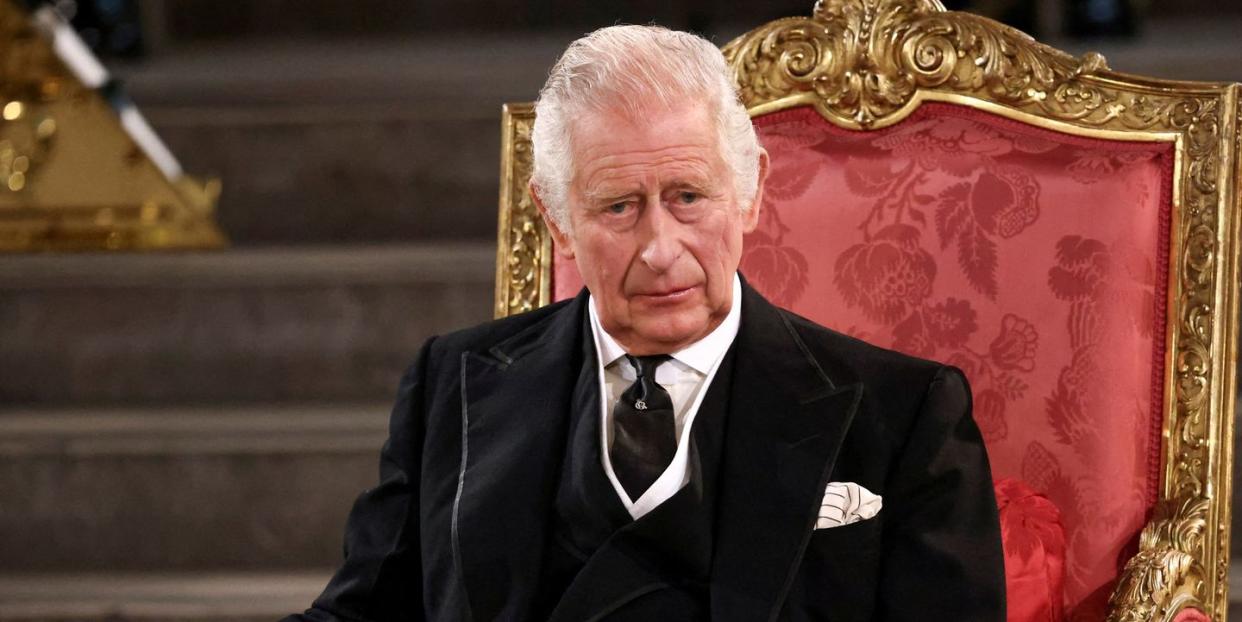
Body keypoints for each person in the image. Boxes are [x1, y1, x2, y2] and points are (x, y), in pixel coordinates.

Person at [287, 24, 1005, 622]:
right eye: (619, 207)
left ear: (750, 193)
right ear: (557, 220)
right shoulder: (454, 386)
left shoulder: (905, 415)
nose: (662, 250)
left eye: (689, 196)